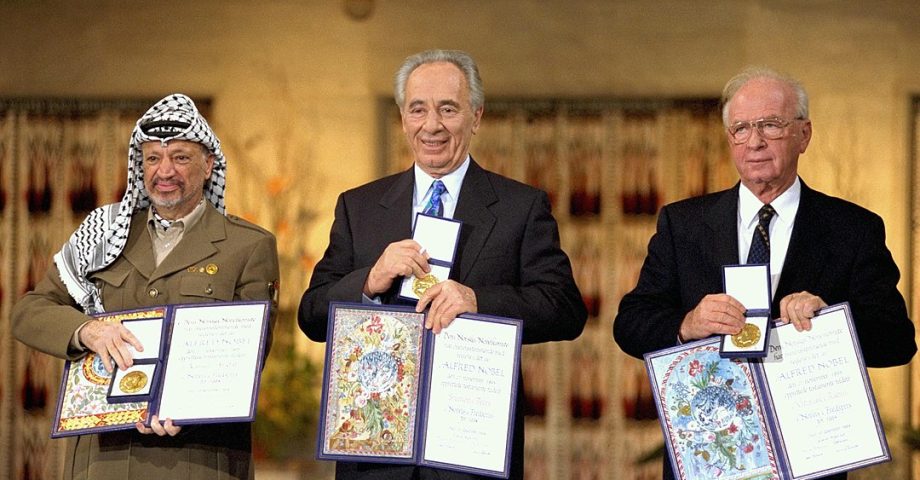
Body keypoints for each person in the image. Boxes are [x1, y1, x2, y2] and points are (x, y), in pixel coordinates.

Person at [613, 67, 916, 479]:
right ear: (729, 140)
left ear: (804, 135)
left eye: (770, 125)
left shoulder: (853, 228)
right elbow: (630, 324)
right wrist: (686, 323)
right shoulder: (681, 224)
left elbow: (896, 341)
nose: (754, 141)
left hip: (811, 457)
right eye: (740, 128)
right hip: (709, 455)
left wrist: (830, 319)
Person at [299, 49, 587, 479]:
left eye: (447, 109)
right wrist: (370, 280)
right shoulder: (358, 207)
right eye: (418, 109)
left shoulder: (519, 207)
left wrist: (477, 299)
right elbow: (312, 314)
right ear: (402, 118)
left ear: (476, 117)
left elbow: (565, 310)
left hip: (471, 450)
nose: (431, 125)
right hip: (375, 456)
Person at [12, 93, 280, 480]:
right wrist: (86, 329)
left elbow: (249, 358)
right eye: (152, 158)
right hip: (103, 459)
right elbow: (29, 311)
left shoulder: (249, 246)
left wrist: (189, 409)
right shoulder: (103, 233)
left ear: (208, 166)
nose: (164, 170)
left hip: (200, 458)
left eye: (181, 157)